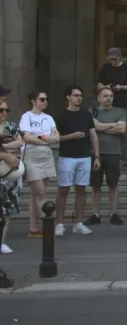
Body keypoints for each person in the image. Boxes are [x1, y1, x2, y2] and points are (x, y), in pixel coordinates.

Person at [53, 86, 99, 236]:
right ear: (68, 97)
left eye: (80, 95)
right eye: (76, 95)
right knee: (63, 190)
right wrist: (70, 136)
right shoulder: (60, 116)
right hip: (67, 157)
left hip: (84, 156)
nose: (79, 98)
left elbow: (93, 136)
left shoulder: (86, 115)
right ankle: (59, 223)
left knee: (82, 190)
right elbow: (54, 137)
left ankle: (79, 222)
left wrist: (96, 156)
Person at [19, 91, 59, 238]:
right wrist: (46, 138)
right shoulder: (26, 116)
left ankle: (33, 228)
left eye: (46, 99)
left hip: (46, 155)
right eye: (42, 99)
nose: (45, 101)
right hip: (32, 155)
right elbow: (26, 137)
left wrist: (41, 137)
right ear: (33, 101)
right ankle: (47, 225)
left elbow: (57, 137)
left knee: (37, 194)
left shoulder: (49, 118)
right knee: (40, 192)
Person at [87, 87, 127, 226]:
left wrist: (101, 127)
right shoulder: (92, 112)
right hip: (95, 153)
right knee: (95, 186)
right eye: (105, 96)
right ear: (99, 98)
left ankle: (113, 214)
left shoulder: (119, 112)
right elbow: (93, 127)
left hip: (114, 153)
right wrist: (112, 125)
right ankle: (95, 214)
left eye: (110, 96)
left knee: (113, 185)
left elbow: (121, 129)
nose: (108, 98)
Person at [96, 48, 127, 162]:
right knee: (101, 127)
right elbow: (99, 84)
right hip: (105, 104)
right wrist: (107, 87)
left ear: (120, 58)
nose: (113, 61)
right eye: (111, 59)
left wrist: (120, 87)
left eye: (115, 59)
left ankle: (121, 157)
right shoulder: (105, 68)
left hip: (122, 103)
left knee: (121, 131)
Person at [1, 97, 24, 254]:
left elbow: (20, 142)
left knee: (7, 210)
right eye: (0, 110)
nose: (4, 113)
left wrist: (4, 147)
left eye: (6, 110)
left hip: (9, 177)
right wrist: (6, 152)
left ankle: (1, 242)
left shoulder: (11, 126)